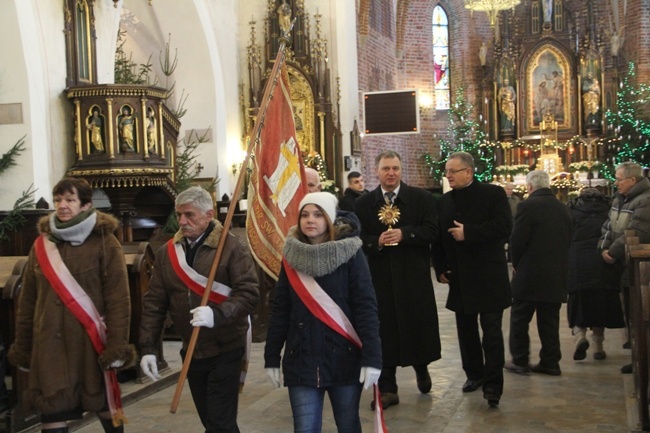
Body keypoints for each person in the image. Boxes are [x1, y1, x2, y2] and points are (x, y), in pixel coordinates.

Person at [8, 177, 135, 433]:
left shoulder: (105, 242)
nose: (62, 205)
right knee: (52, 411)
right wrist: (23, 347)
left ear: (86, 205)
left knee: (108, 408)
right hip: (49, 346)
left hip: (89, 343)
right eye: (58, 200)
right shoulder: (41, 245)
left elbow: (118, 300)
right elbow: (28, 302)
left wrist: (117, 347)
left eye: (69, 199)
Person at [139, 186, 259, 433]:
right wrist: (148, 348)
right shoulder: (167, 253)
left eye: (189, 215)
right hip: (192, 350)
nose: (182, 221)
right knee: (211, 420)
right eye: (179, 214)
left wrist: (216, 315)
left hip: (226, 346)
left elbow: (248, 294)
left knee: (219, 423)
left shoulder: (230, 247)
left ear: (208, 214)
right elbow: (154, 303)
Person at [264, 192, 382, 432]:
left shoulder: (351, 253)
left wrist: (373, 358)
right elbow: (281, 310)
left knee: (348, 426)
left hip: (344, 358)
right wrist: (271, 356)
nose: (310, 220)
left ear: (329, 218)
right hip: (301, 359)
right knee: (305, 428)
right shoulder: (291, 256)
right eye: (305, 214)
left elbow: (365, 307)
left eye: (318, 214)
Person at [355, 150, 441, 410]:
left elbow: (432, 231)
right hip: (379, 278)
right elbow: (357, 238)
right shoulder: (363, 203)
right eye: (385, 169)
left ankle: (421, 367)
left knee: (417, 324)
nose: (390, 173)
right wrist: (375, 241)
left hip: (413, 276)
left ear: (401, 171)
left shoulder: (421, 198)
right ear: (376, 171)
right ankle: (388, 388)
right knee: (384, 330)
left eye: (395, 168)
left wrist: (406, 234)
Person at [431, 151, 512, 408]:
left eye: (453, 171)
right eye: (447, 172)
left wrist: (470, 233)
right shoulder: (444, 201)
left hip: (488, 275)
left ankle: (493, 385)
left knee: (491, 332)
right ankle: (474, 374)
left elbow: (504, 227)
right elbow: (439, 236)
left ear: (468, 171)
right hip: (459, 276)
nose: (448, 175)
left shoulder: (493, 194)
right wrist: (440, 266)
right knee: (466, 332)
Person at [506, 170, 572, 376]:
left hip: (530, 273)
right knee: (549, 320)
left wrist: (515, 263)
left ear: (530, 187)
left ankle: (520, 360)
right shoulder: (563, 208)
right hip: (556, 273)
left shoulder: (527, 206)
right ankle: (551, 362)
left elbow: (517, 240)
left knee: (519, 317)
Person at [599, 162, 650, 373]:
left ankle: (643, 359)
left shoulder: (645, 201)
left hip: (638, 268)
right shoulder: (621, 199)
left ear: (633, 180)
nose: (616, 183)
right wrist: (603, 247)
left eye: (619, 179)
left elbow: (637, 230)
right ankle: (638, 356)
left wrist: (613, 252)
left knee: (639, 314)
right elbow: (609, 226)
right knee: (631, 315)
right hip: (625, 266)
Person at [567, 188, 625, 361]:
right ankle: (598, 346)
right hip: (603, 258)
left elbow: (566, 234)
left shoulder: (572, 211)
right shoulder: (610, 210)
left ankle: (580, 336)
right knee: (601, 301)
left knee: (579, 299)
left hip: (578, 260)